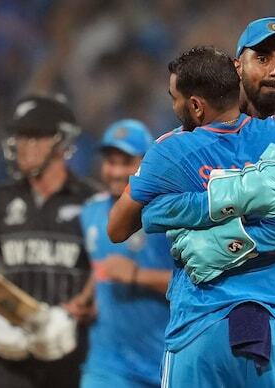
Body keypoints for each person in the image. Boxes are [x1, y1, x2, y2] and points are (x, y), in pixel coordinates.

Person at [107, 46, 275, 387]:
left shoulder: (169, 150)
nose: (274, 70)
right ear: (238, 72)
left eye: (175, 98)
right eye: (264, 59)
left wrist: (219, 230)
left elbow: (118, 226)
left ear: (196, 105)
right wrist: (234, 197)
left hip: (198, 325)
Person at [139, 15, 275, 371]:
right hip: (197, 319)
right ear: (236, 65)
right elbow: (149, 213)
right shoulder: (185, 144)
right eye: (262, 58)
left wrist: (230, 241)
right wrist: (218, 203)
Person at [0, 95, 98, 388]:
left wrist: (79, 307)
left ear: (62, 143)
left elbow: (104, 271)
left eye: (34, 137)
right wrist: (19, 317)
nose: (22, 145)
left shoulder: (92, 202)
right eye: (20, 136)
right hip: (8, 353)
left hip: (71, 353)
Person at [79, 119, 173, 388]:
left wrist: (137, 275)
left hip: (164, 363)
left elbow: (194, 284)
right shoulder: (90, 212)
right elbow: (99, 266)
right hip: (107, 368)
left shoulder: (167, 213)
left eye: (127, 162)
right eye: (111, 162)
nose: (117, 172)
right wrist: (86, 299)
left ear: (146, 163)